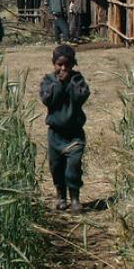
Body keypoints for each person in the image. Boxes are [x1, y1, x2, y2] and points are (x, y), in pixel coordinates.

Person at [39, 45, 90, 215]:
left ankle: (75, 198)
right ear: (53, 64)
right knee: (56, 167)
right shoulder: (48, 81)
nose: (63, 69)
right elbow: (48, 100)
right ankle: (61, 196)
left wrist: (69, 83)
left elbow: (81, 97)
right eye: (59, 65)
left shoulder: (77, 80)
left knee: (73, 167)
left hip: (74, 134)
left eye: (66, 65)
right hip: (56, 134)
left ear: (72, 65)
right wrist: (59, 85)